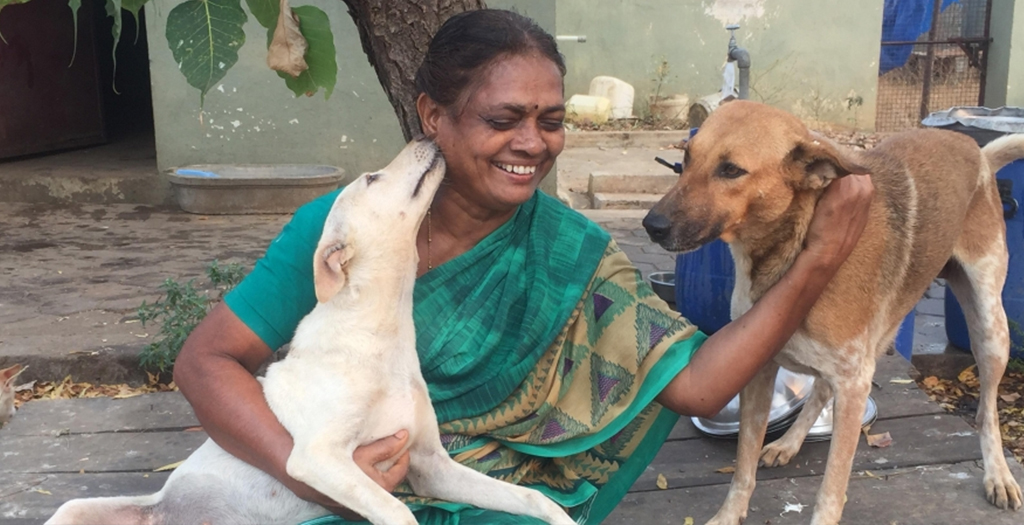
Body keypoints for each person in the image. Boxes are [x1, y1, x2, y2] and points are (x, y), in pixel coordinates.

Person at [174, 9, 874, 525]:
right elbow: (206, 361)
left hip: (485, 489)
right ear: (434, 116)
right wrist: (320, 480)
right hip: (323, 492)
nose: (532, 144)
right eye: (504, 118)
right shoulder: (343, 229)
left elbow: (694, 384)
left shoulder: (570, 252)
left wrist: (817, 261)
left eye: (550, 119)